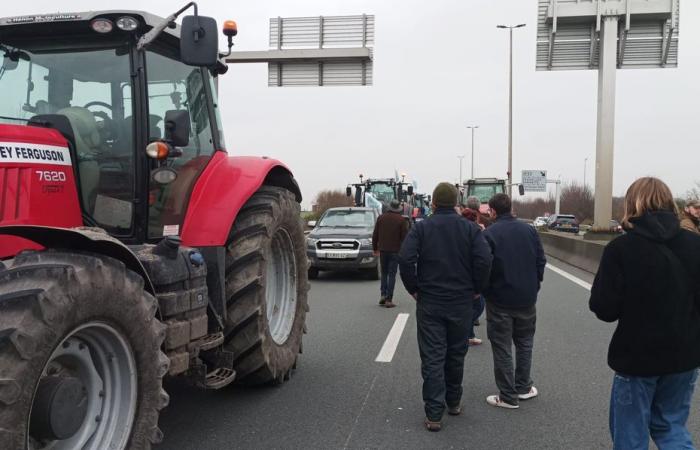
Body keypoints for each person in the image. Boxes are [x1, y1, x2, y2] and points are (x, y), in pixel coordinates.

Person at [589, 177, 700, 449]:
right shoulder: (695, 245)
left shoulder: (621, 249)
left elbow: (605, 309)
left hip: (637, 358)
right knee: (670, 427)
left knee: (630, 434)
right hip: (685, 356)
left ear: (632, 204)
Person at [398, 182, 492, 432]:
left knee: (432, 356)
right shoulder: (470, 229)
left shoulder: (422, 228)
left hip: (430, 301)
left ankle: (434, 414)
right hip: (461, 302)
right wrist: (476, 289)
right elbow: (484, 260)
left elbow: (406, 258)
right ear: (456, 204)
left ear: (434, 204)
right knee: (455, 353)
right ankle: (454, 401)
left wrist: (414, 288)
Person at [483, 193, 546, 409]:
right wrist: (535, 283)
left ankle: (508, 396)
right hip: (527, 298)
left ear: (492, 211)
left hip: (500, 299)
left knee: (502, 346)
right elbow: (541, 259)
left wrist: (486, 290)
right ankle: (524, 387)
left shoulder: (490, 234)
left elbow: (484, 266)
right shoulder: (529, 230)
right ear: (510, 208)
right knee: (525, 343)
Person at [373, 199, 409, 308]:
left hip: (383, 250)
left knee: (384, 273)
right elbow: (405, 238)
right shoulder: (401, 220)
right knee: (392, 274)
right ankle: (389, 299)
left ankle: (383, 295)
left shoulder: (381, 218)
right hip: (395, 251)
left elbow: (375, 235)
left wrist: (375, 248)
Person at [461, 196, 486, 346]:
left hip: (460, 271)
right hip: (472, 272)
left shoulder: (459, 222)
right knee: (478, 304)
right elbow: (484, 257)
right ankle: (465, 331)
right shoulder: (477, 227)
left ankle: (468, 333)